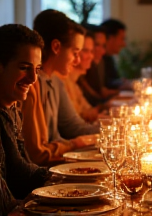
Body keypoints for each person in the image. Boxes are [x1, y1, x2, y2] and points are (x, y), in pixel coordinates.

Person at [21, 9, 99, 167]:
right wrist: (75, 144)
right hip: (46, 170)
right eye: (75, 52)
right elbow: (36, 153)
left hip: (57, 162)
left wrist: (118, 128)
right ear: (56, 47)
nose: (77, 60)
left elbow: (71, 126)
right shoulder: (29, 86)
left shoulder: (55, 81)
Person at [0, 24, 48, 215]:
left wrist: (66, 177)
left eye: (37, 69)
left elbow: (22, 169)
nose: (32, 79)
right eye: (24, 68)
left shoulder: (12, 109)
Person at [60, 31, 99, 122]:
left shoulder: (74, 83)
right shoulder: (61, 82)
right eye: (85, 51)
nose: (91, 56)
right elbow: (72, 125)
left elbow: (90, 112)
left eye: (92, 51)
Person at [78, 25, 118, 106]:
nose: (102, 51)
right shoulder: (72, 76)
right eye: (97, 45)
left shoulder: (98, 64)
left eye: (103, 46)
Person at [100, 18, 129, 90]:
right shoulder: (94, 59)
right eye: (122, 39)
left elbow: (111, 82)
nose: (124, 44)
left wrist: (121, 82)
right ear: (111, 38)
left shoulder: (108, 58)